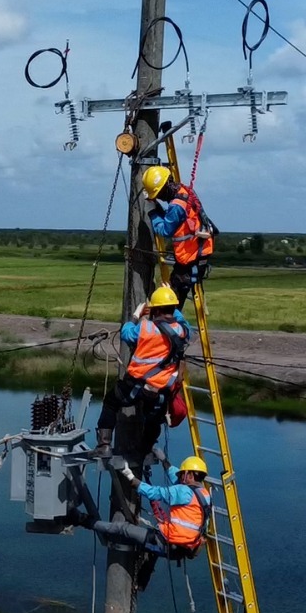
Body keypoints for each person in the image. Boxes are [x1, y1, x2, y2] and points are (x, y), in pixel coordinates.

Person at [85, 455, 214, 591]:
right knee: (151, 550)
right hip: (184, 548)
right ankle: (140, 584)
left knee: (122, 529)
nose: (180, 478)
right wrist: (166, 463)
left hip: (168, 543)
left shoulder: (182, 491)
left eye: (183, 474)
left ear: (189, 474)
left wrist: (132, 479)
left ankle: (85, 521)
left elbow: (155, 493)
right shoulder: (204, 495)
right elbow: (178, 482)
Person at [93, 285, 191, 459]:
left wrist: (136, 315)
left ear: (156, 309)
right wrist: (172, 303)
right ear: (173, 308)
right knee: (154, 420)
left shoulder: (146, 327)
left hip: (135, 384)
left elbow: (127, 333)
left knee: (111, 402)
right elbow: (184, 323)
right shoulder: (183, 331)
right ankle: (144, 450)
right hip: (161, 390)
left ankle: (104, 445)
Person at [142, 166, 216, 311]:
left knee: (170, 307)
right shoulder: (184, 192)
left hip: (190, 259)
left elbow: (164, 230)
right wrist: (157, 207)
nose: (159, 198)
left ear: (164, 189)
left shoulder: (176, 206)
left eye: (158, 195)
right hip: (197, 255)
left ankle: (173, 331)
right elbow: (173, 221)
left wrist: (152, 212)